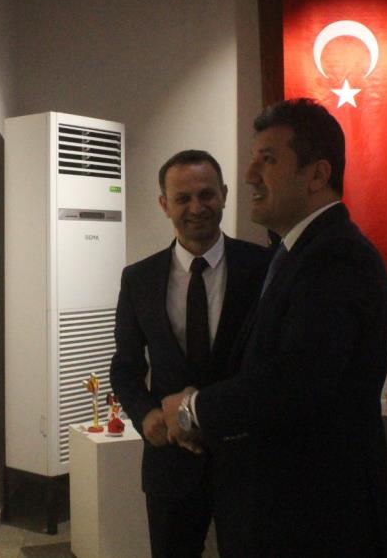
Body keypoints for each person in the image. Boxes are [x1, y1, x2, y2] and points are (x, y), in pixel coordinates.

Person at [161, 100, 387, 557]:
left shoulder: (335, 258)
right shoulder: (296, 253)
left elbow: (294, 380)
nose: (250, 175)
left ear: (316, 175)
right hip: (290, 513)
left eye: (268, 160)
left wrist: (192, 410)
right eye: (253, 159)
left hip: (317, 522)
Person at [110, 150, 270, 558]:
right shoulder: (138, 279)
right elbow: (125, 367)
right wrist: (146, 416)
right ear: (164, 204)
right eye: (183, 198)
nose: (197, 207)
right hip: (170, 460)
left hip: (247, 460)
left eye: (207, 194)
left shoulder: (263, 268)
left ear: (225, 195)